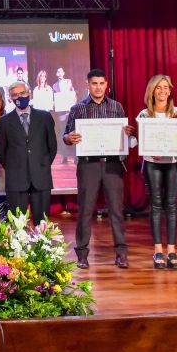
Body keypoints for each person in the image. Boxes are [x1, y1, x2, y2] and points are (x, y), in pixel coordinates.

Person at [63, 69, 134, 269]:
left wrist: (127, 133)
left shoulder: (116, 107)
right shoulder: (77, 108)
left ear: (106, 85)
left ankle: (121, 253)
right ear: (88, 85)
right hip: (88, 164)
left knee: (116, 210)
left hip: (112, 164)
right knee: (85, 209)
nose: (98, 87)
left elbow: (125, 136)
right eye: (94, 83)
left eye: (102, 83)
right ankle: (82, 254)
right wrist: (70, 138)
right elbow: (66, 135)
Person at [136, 75, 177, 270]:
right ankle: (158, 250)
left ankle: (172, 250)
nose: (162, 91)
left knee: (172, 206)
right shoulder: (144, 115)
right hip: (152, 163)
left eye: (166, 87)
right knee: (156, 205)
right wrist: (151, 149)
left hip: (174, 163)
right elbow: (143, 142)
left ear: (170, 90)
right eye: (158, 88)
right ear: (152, 91)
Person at [0, 81, 57, 226]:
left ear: (29, 93)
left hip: (41, 177)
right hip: (16, 178)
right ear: (10, 98)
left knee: (42, 225)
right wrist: (15, 166)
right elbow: (1, 152)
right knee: (16, 225)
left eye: (22, 93)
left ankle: (41, 248)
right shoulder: (3, 122)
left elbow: (52, 147)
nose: (19, 97)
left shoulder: (44, 117)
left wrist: (41, 164)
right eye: (15, 95)